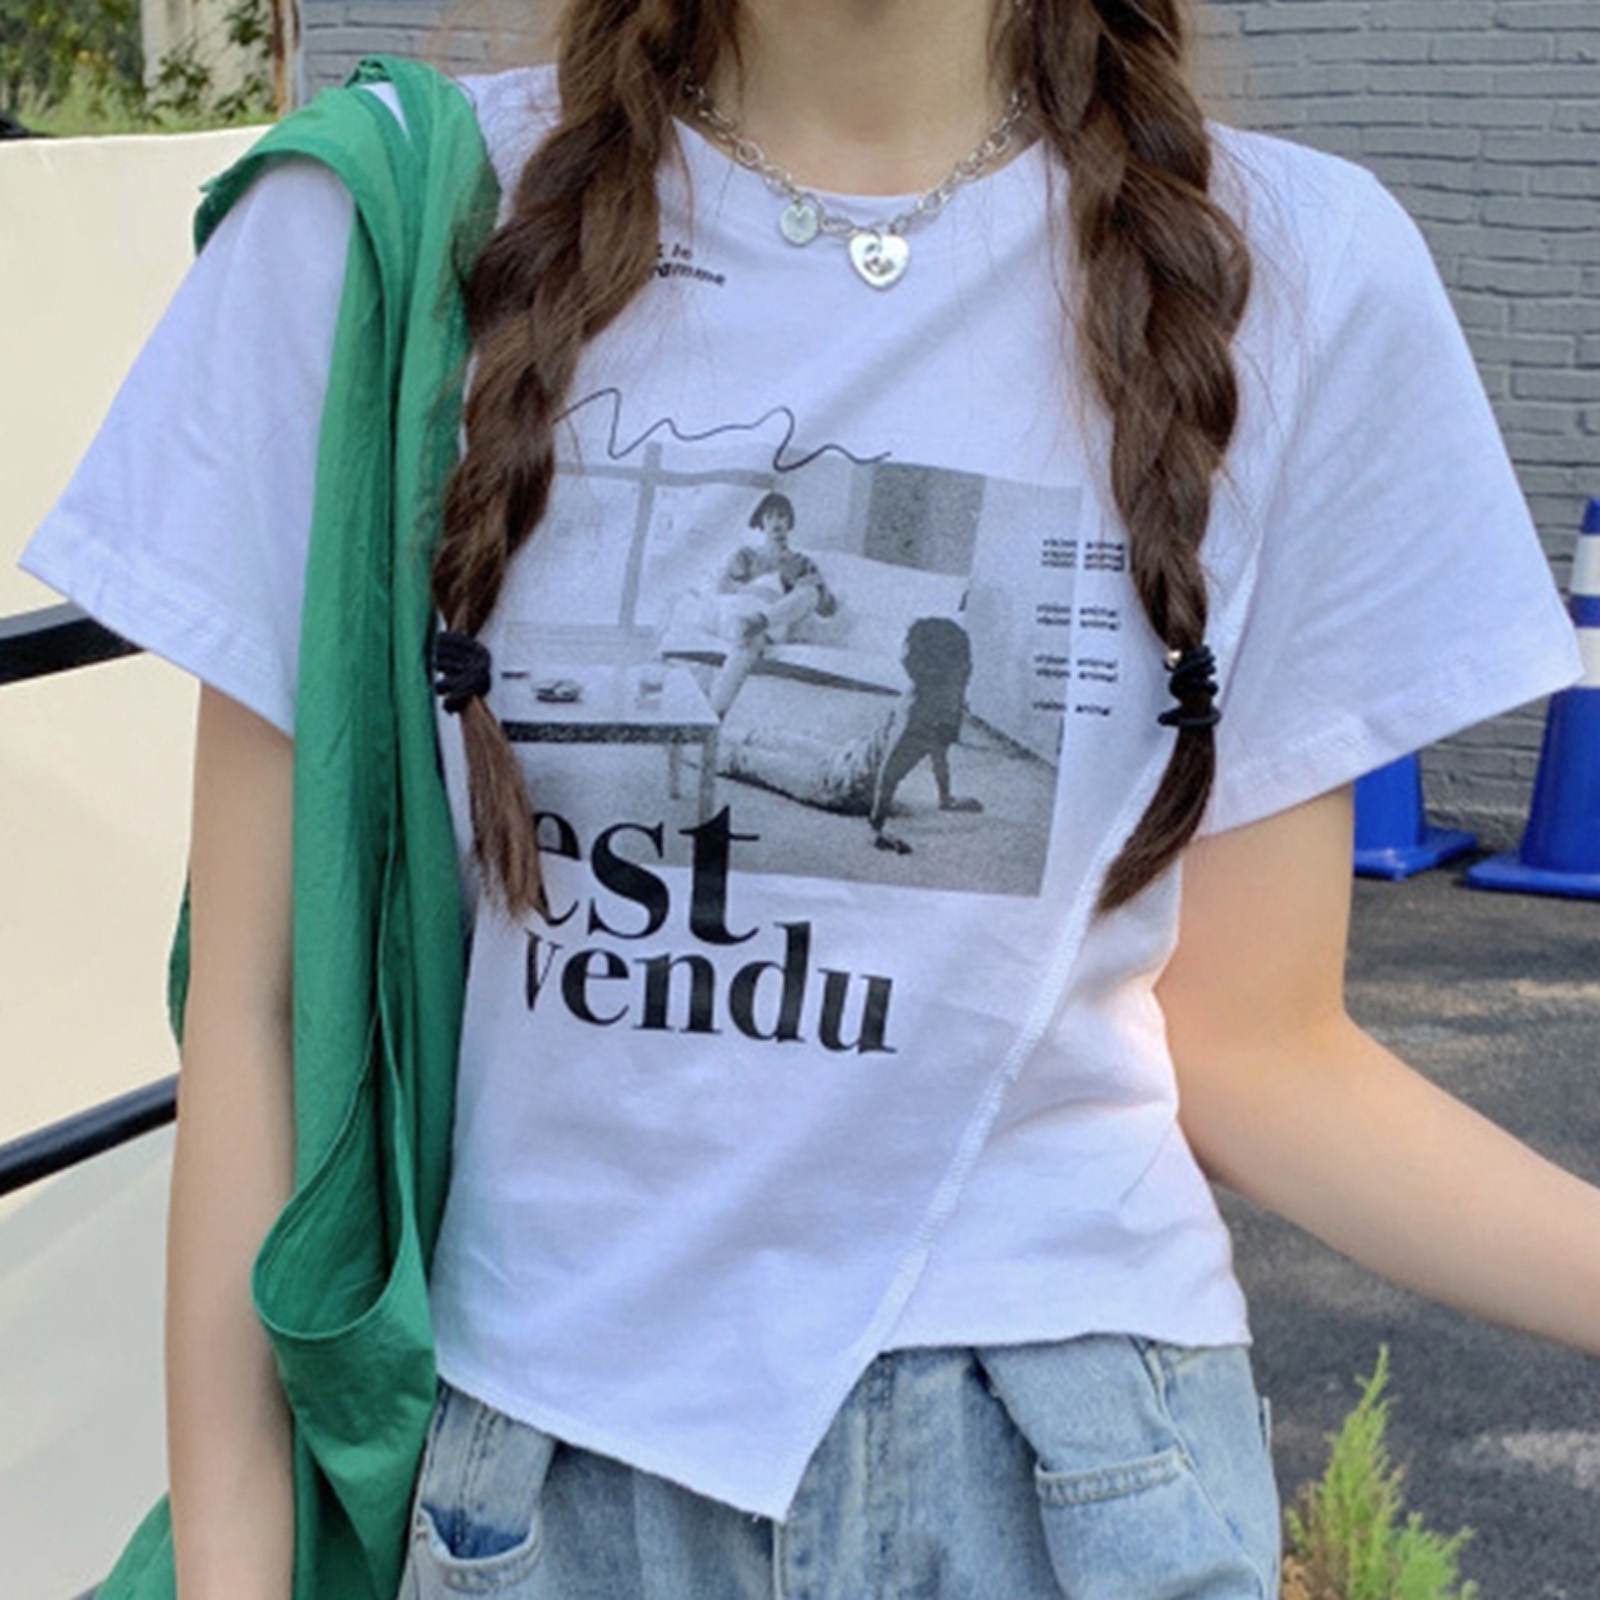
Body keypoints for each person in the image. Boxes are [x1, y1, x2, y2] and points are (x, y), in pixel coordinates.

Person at [19, 4, 1600, 1599]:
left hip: (1081, 1474)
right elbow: (263, 1008)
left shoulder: (1298, 273)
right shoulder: (382, 233)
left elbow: (1258, 1050)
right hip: (541, 1484)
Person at [721, 614, 983, 853]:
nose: (968, 671)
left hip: (841, 787)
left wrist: (879, 827)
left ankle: (703, 748)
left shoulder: (922, 710)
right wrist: (944, 799)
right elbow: (932, 753)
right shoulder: (934, 697)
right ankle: (717, 729)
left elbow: (895, 770)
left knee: (745, 760)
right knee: (769, 736)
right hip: (845, 758)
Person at [705, 490, 838, 715]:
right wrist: (761, 591)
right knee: (748, 640)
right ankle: (713, 714)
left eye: (782, 516)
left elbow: (827, 608)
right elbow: (723, 591)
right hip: (742, 618)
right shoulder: (746, 556)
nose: (777, 523)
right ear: (761, 522)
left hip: (776, 624)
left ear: (790, 521)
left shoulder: (801, 562)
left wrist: (817, 589)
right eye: (770, 517)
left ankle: (759, 621)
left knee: (809, 593)